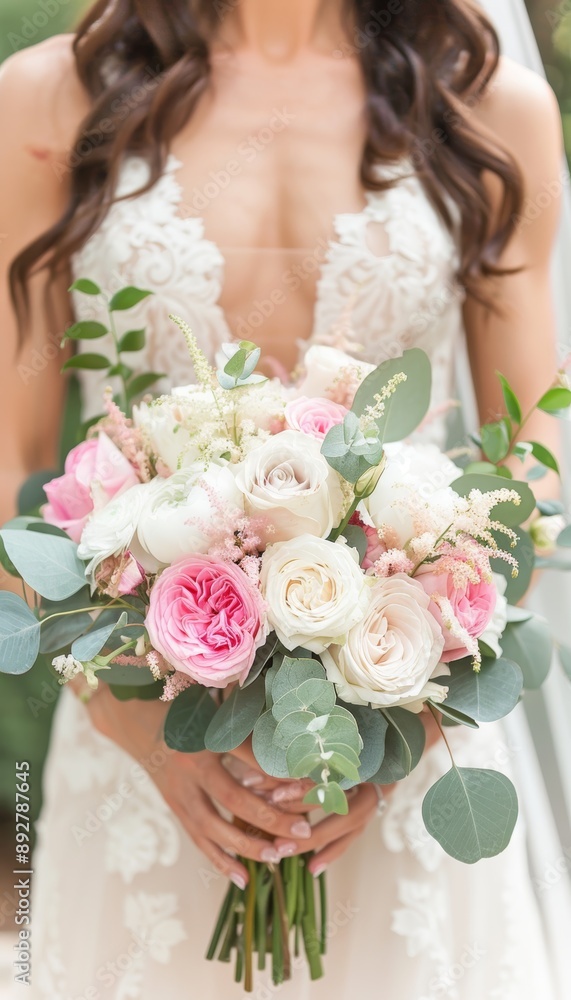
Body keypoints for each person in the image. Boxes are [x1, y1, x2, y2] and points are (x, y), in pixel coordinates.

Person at [1, 1, 569, 996]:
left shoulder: (487, 109)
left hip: (401, 753)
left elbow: (535, 448)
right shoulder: (52, 100)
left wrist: (412, 716)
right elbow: (11, 454)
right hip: (139, 764)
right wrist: (138, 730)